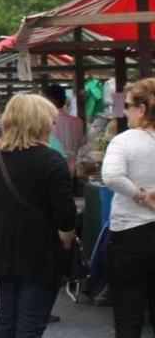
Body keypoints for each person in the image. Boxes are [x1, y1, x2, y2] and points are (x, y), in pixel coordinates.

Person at [0, 94, 76, 337]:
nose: (52, 125)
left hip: (4, 251)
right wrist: (66, 241)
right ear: (40, 122)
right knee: (30, 322)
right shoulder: (52, 161)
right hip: (41, 254)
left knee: (7, 317)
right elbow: (66, 216)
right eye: (51, 120)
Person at [102, 78, 155, 338]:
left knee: (129, 310)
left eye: (129, 105)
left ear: (143, 109)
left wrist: (141, 195)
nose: (125, 110)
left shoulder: (124, 141)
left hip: (130, 233)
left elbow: (110, 176)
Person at [43, 84, 84, 175]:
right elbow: (80, 144)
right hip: (72, 170)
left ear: (49, 101)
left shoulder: (45, 123)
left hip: (53, 172)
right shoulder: (78, 122)